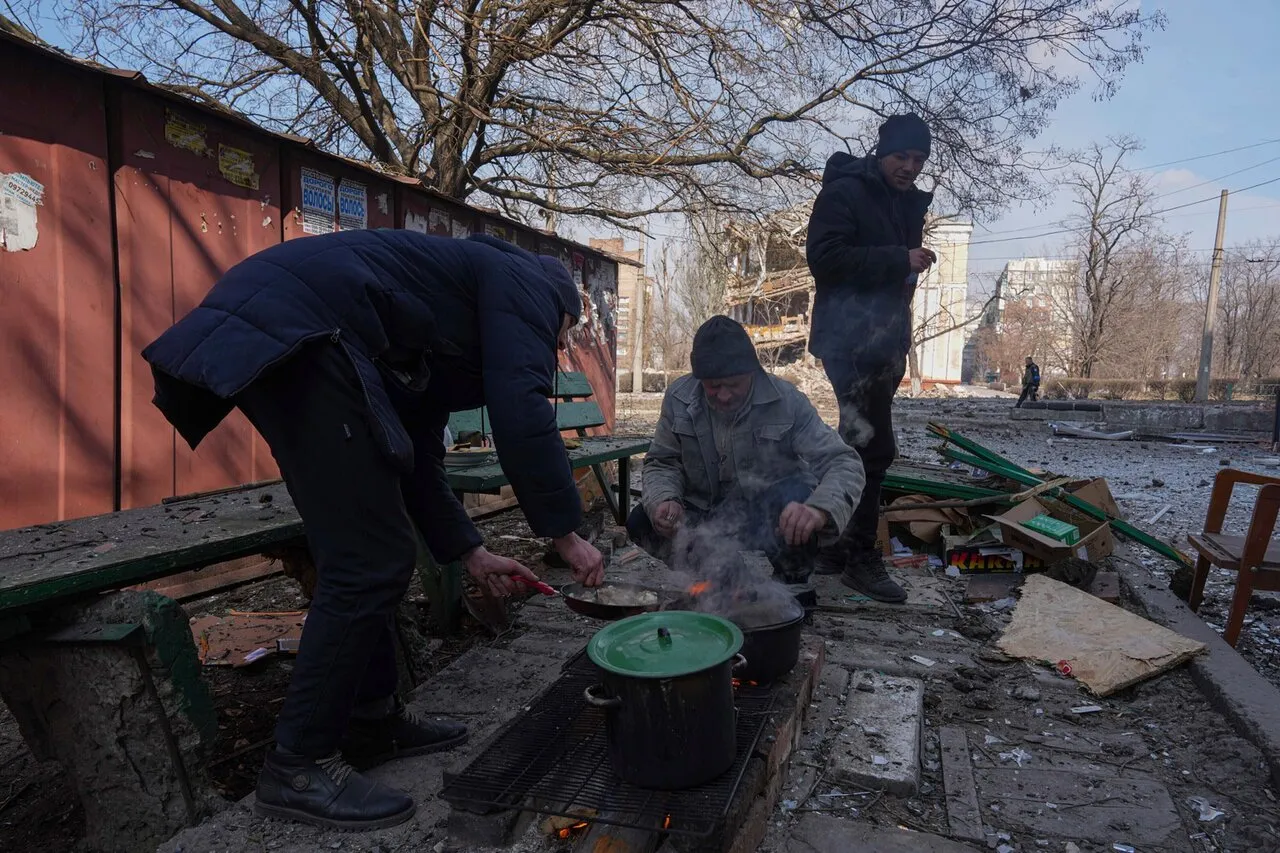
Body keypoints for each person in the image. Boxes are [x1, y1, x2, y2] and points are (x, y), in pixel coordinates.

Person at [142, 229, 606, 831]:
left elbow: (416, 454)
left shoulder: (447, 316)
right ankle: (299, 763)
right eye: (563, 337)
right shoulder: (530, 283)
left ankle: (370, 721)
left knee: (376, 546)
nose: (559, 348)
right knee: (366, 557)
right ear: (561, 309)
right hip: (303, 329)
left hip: (296, 325)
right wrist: (566, 535)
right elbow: (524, 406)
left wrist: (471, 553)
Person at [805, 113, 936, 604]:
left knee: (855, 443)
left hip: (885, 341)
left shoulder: (905, 203)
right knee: (872, 446)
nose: (909, 167)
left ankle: (834, 546)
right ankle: (860, 556)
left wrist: (910, 265)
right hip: (849, 340)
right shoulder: (845, 192)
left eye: (918, 159)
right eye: (902, 156)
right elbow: (824, 258)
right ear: (882, 151)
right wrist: (897, 258)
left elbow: (889, 273)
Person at [629, 316, 865, 585]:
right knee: (643, 522)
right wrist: (665, 499)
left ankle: (792, 588)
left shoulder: (787, 401)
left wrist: (818, 510)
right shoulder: (679, 398)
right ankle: (719, 581)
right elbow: (662, 462)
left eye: (734, 384)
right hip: (704, 516)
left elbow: (844, 463)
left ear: (753, 372)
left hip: (762, 517)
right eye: (714, 386)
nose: (725, 395)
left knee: (797, 500)